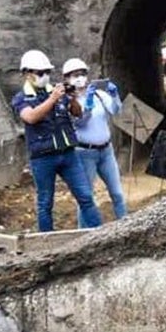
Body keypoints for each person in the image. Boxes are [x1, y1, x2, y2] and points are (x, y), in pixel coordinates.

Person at [11, 50, 102, 232]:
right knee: (45, 203)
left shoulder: (55, 91)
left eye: (47, 72)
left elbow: (77, 113)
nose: (45, 76)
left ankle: (99, 234)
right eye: (40, 73)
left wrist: (73, 99)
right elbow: (30, 118)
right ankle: (47, 243)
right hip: (43, 158)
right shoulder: (21, 98)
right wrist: (52, 100)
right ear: (27, 74)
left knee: (86, 197)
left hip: (68, 154)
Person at [63, 57, 129, 220]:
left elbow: (116, 111)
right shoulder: (67, 101)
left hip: (106, 151)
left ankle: (126, 224)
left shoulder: (99, 95)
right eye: (74, 75)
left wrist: (114, 95)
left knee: (117, 193)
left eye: (82, 74)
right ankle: (83, 233)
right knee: (86, 198)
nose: (79, 78)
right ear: (67, 78)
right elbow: (81, 122)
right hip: (85, 153)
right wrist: (89, 104)